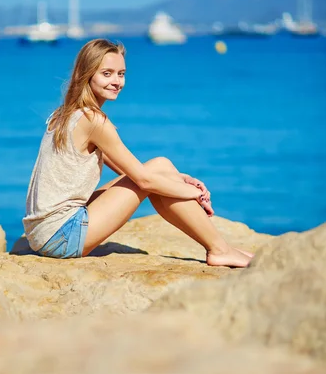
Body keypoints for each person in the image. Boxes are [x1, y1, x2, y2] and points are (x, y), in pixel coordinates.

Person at [23, 39, 252, 267]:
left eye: (121, 74)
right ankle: (219, 249)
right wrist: (194, 194)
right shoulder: (94, 121)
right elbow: (143, 180)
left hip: (44, 232)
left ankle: (221, 247)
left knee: (160, 164)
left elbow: (128, 169)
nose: (116, 82)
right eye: (107, 73)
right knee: (152, 176)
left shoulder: (66, 113)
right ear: (87, 74)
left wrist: (182, 180)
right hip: (61, 236)